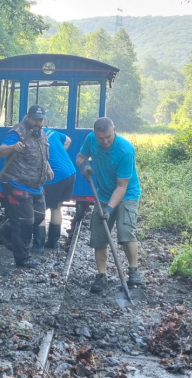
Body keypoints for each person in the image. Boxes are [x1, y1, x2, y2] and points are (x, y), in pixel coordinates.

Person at [75, 117, 143, 294]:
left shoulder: (125, 150)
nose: (104, 141)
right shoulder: (91, 139)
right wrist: (85, 166)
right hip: (103, 194)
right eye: (101, 138)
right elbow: (80, 158)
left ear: (114, 130)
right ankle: (101, 275)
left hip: (127, 194)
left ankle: (133, 271)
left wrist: (110, 209)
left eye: (108, 137)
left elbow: (121, 187)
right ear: (95, 134)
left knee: (125, 231)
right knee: (99, 236)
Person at [0, 104, 53, 268]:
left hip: (36, 186)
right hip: (17, 183)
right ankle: (22, 258)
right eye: (35, 119)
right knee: (25, 223)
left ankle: (6, 234)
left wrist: (47, 167)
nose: (38, 122)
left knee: (39, 216)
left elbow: (42, 155)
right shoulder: (17, 132)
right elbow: (0, 152)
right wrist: (13, 147)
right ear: (28, 116)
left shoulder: (42, 134)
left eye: (40, 120)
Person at [41, 127, 76, 249]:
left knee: (40, 209)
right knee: (56, 208)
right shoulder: (51, 132)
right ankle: (52, 243)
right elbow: (68, 140)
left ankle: (38, 245)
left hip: (56, 176)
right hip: (70, 173)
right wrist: (59, 154)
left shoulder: (34, 137)